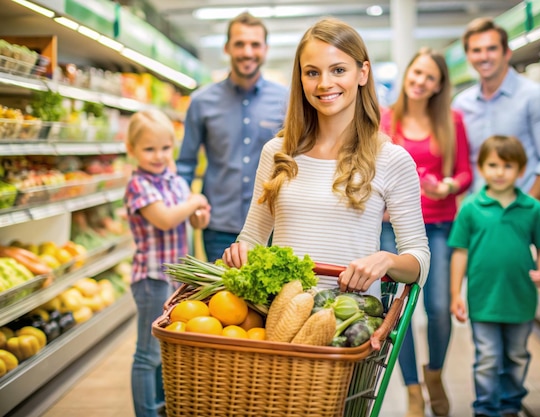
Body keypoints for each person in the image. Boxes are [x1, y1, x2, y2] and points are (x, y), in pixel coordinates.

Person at [222, 17, 430, 300]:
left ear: (362, 73)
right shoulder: (277, 152)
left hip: (350, 325)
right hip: (280, 318)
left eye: (338, 70)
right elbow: (251, 239)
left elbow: (418, 259)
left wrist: (388, 260)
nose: (324, 83)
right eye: (312, 73)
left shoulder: (392, 159)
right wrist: (240, 252)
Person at [379, 47, 472, 417]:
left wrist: (447, 186)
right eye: (417, 73)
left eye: (430, 77)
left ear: (438, 85)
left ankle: (434, 374)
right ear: (407, 74)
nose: (420, 82)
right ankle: (413, 391)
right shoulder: (386, 121)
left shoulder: (452, 121)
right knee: (398, 312)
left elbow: (466, 173)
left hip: (438, 223)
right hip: (392, 229)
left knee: (437, 309)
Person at [448, 135, 540, 417]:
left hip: (520, 299)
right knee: (486, 357)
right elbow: (459, 253)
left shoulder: (532, 209)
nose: (500, 172)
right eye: (493, 165)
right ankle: (486, 407)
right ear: (482, 169)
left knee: (516, 355)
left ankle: (510, 403)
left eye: (508, 166)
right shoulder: (472, 208)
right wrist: (454, 294)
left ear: (521, 170)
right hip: (483, 299)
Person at [176, 11, 288, 262]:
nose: (247, 52)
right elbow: (185, 164)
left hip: (272, 225)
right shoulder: (201, 102)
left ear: (265, 49)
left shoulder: (287, 101)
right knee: (223, 299)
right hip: (218, 226)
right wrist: (188, 203)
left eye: (255, 44)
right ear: (227, 48)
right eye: (240, 44)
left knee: (270, 301)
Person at [124, 109, 210, 417]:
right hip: (151, 280)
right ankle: (146, 412)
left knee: (165, 349)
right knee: (147, 355)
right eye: (149, 149)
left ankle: (163, 407)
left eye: (164, 148)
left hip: (173, 279)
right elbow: (164, 219)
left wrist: (199, 214)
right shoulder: (138, 185)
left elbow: (194, 222)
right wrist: (193, 204)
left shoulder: (174, 181)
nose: (158, 156)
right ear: (131, 149)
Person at [452, 17, 540, 201]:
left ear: (506, 52)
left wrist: (526, 210)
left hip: (519, 209)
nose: (484, 56)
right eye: (476, 50)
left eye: (491, 48)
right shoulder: (461, 104)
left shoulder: (534, 97)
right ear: (468, 56)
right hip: (478, 211)